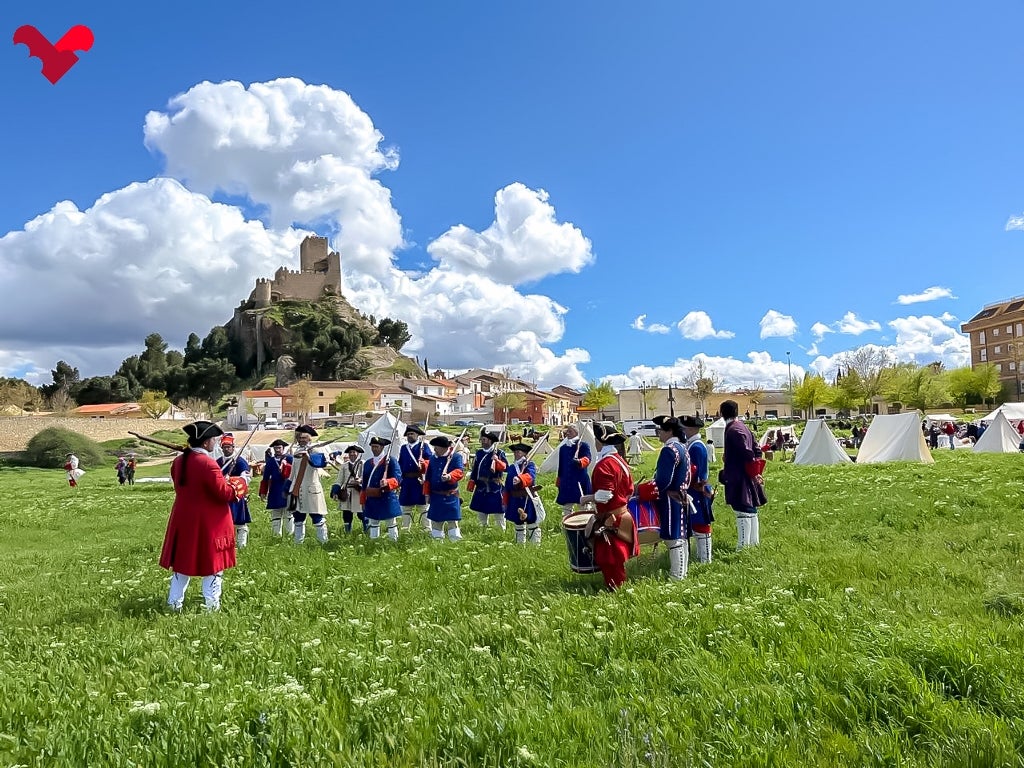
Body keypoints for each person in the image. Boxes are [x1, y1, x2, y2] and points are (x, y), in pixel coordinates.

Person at [159, 420, 246, 612]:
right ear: (206, 442)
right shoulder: (208, 463)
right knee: (213, 566)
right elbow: (224, 494)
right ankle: (212, 606)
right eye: (213, 440)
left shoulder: (178, 462)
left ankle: (174, 603)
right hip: (209, 522)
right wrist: (239, 482)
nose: (215, 443)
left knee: (182, 565)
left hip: (183, 518)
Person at [579, 423, 637, 591]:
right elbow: (630, 490)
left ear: (600, 442)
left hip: (611, 518)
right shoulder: (619, 460)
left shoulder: (605, 464)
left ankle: (616, 591)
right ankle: (617, 588)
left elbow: (605, 495)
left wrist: (586, 498)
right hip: (621, 514)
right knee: (614, 558)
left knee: (610, 559)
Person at [718, 400, 766, 550]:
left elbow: (747, 452)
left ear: (721, 413)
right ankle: (753, 544)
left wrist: (747, 465)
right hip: (746, 473)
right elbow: (757, 450)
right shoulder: (743, 427)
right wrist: (755, 470)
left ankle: (743, 546)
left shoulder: (733, 430)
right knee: (750, 509)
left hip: (739, 475)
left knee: (742, 509)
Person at [652, 416, 690, 580]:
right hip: (680, 495)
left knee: (673, 538)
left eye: (660, 430)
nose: (659, 433)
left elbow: (663, 480)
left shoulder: (669, 450)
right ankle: (682, 572)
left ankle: (677, 575)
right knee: (681, 536)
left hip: (669, 498)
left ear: (669, 431)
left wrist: (650, 488)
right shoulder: (682, 447)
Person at [681, 415, 715, 564]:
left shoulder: (696, 447)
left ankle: (706, 559)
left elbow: (696, 472)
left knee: (701, 524)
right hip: (695, 489)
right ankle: (702, 557)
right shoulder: (693, 445)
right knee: (696, 524)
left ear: (690, 429)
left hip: (697, 489)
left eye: (684, 428)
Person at [289, 425, 330, 545]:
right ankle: (298, 543)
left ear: (309, 438)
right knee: (298, 518)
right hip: (297, 489)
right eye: (300, 438)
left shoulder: (315, 451)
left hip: (311, 489)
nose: (301, 440)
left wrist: (308, 456)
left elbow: (320, 464)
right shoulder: (297, 451)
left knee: (317, 517)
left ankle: (323, 542)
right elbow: (293, 471)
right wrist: (288, 486)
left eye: (304, 438)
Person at [424, 434, 466, 541]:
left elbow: (459, 471)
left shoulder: (456, 457)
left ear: (443, 448)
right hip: (436, 496)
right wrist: (427, 493)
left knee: (452, 521)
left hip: (450, 495)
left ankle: (455, 541)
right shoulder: (433, 458)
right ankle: (437, 541)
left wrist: (449, 476)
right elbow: (428, 477)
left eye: (436, 447)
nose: (434, 449)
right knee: (436, 521)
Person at [360, 436, 402, 540]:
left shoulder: (391, 461)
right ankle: (374, 541)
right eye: (373, 446)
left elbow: (398, 478)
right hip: (372, 496)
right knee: (373, 521)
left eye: (376, 447)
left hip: (386, 496)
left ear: (382, 447)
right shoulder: (368, 463)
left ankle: (393, 541)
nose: (374, 449)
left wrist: (388, 482)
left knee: (391, 522)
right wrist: (363, 499)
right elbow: (365, 483)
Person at [217, 433, 253, 549]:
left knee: (239, 522)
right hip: (222, 497)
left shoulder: (240, 461)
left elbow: (245, 479)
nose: (226, 449)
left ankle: (241, 545)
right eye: (224, 447)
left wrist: (231, 480)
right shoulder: (218, 462)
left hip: (236, 496)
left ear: (233, 447)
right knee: (223, 523)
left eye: (228, 447)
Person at [468, 428, 508, 531]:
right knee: (481, 510)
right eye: (481, 439)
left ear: (490, 441)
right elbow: (475, 469)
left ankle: (501, 531)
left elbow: (505, 467)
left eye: (484, 440)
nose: (482, 442)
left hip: (495, 486)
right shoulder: (479, 453)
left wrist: (497, 460)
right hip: (481, 486)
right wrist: (472, 481)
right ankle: (483, 529)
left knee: (499, 510)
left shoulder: (499, 453)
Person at [503, 442, 540, 544]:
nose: (516, 454)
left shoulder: (530, 464)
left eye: (518, 452)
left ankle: (535, 546)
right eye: (515, 452)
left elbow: (531, 477)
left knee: (532, 521)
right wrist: (506, 498)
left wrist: (520, 479)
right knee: (518, 522)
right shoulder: (512, 467)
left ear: (524, 454)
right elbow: (508, 484)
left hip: (527, 497)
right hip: (514, 498)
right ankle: (520, 545)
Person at [398, 426, 433, 532]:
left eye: (412, 434)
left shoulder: (424, 446)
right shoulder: (404, 448)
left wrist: (424, 463)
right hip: (407, 482)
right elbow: (400, 464)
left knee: (423, 506)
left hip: (419, 481)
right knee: (405, 507)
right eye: (408, 434)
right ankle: (405, 530)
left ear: (417, 435)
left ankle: (427, 529)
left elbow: (431, 462)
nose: (410, 436)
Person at [555, 423, 592, 517]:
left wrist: (580, 462)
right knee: (566, 508)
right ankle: (567, 523)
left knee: (583, 507)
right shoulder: (563, 448)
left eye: (570, 431)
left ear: (576, 432)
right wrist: (559, 479)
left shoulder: (583, 445)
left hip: (580, 480)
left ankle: (584, 523)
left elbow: (588, 458)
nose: (567, 433)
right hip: (566, 481)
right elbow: (561, 465)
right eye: (567, 431)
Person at [259, 439, 294, 537]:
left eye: (279, 448)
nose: (277, 450)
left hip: (288, 488)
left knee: (288, 513)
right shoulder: (271, 461)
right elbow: (265, 477)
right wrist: (263, 491)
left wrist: (286, 466)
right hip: (275, 489)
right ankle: (276, 536)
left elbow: (295, 472)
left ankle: (289, 535)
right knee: (276, 514)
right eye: (275, 448)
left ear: (283, 448)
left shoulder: (290, 459)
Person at [331, 444, 367, 533]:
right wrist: (335, 492)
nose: (352, 454)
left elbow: (366, 477)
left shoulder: (363, 463)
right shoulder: (344, 466)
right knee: (347, 514)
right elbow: (339, 480)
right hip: (346, 492)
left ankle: (367, 531)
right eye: (350, 452)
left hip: (358, 491)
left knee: (362, 513)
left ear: (358, 453)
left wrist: (360, 480)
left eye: (354, 452)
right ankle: (347, 533)